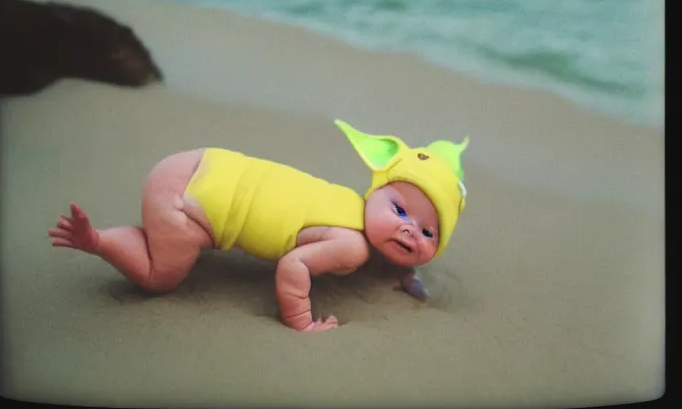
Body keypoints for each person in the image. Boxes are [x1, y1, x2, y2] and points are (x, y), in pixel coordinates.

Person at [48, 119, 469, 332]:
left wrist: (394, 266)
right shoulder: (354, 247)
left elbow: (372, 238)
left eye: (428, 233)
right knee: (160, 277)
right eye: (399, 211)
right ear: (374, 191)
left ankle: (125, 237)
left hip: (201, 163)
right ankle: (99, 241)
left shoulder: (347, 203)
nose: (411, 230)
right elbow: (292, 268)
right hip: (187, 205)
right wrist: (302, 321)